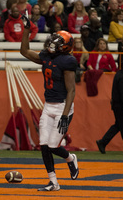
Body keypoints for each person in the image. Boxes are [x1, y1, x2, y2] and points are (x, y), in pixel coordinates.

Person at [20, 14, 79, 191]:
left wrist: (65, 115)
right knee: (44, 145)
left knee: (54, 146)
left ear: (65, 47)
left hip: (62, 106)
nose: (52, 44)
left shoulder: (68, 61)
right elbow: (24, 51)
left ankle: (71, 158)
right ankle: (53, 182)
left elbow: (71, 90)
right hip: (48, 106)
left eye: (57, 43)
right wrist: (26, 30)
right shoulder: (46, 56)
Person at [96, 58, 123, 154]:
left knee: (120, 126)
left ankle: (104, 142)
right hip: (122, 105)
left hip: (118, 104)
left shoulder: (121, 74)